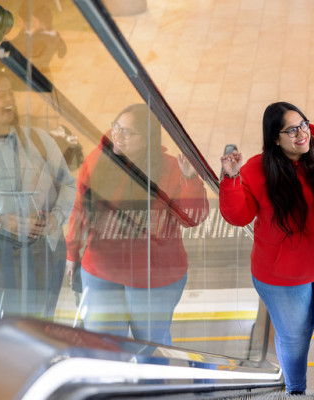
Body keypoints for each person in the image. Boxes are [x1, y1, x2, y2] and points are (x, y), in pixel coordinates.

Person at [219, 102, 314, 396]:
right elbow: (238, 216)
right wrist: (231, 179)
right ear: (275, 138)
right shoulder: (256, 169)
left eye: (304, 124)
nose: (301, 133)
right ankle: (296, 392)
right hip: (281, 277)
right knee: (294, 339)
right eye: (291, 130)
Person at [64, 104, 208, 346]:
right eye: (116, 127)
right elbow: (80, 210)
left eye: (128, 132)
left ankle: (154, 383)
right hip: (101, 271)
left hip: (153, 277)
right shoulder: (97, 160)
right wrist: (72, 252)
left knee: (151, 346)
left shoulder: (172, 168)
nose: (117, 136)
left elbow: (192, 218)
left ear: (147, 139)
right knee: (104, 346)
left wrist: (190, 179)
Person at [0, 66, 76, 318]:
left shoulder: (40, 140)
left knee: (44, 322)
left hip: (46, 249)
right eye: (2, 95)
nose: (10, 100)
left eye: (11, 93)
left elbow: (68, 184)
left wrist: (56, 217)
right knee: (12, 324)